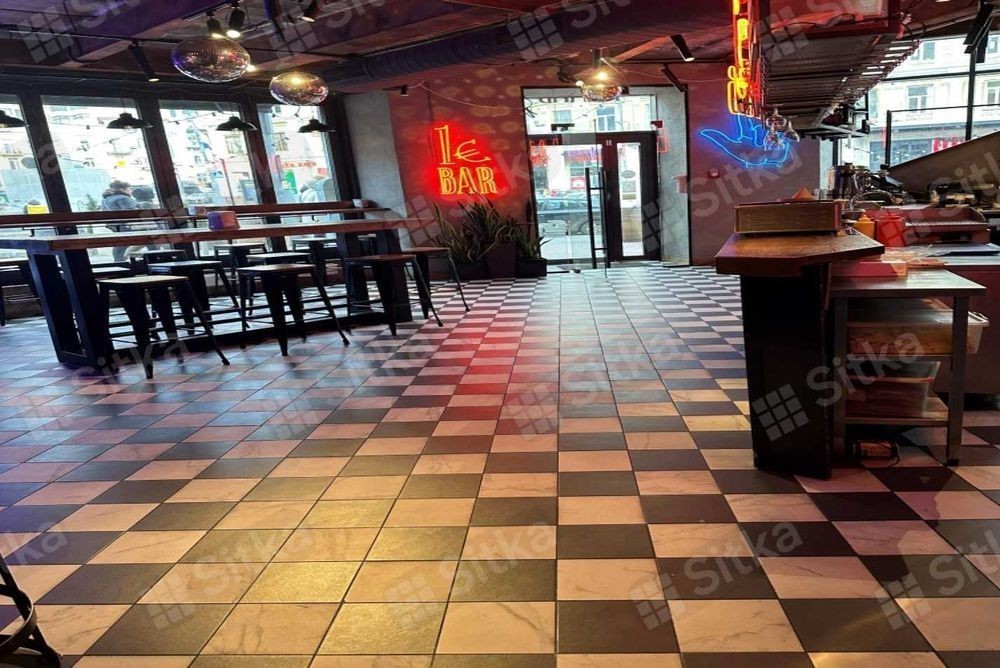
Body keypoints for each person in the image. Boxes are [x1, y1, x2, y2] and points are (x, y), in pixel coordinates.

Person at [101, 180, 138, 261]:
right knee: (143, 239)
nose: (131, 191)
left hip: (113, 224)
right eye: (129, 189)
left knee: (122, 242)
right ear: (123, 189)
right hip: (125, 224)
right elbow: (132, 213)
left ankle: (118, 260)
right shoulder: (124, 198)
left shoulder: (106, 199)